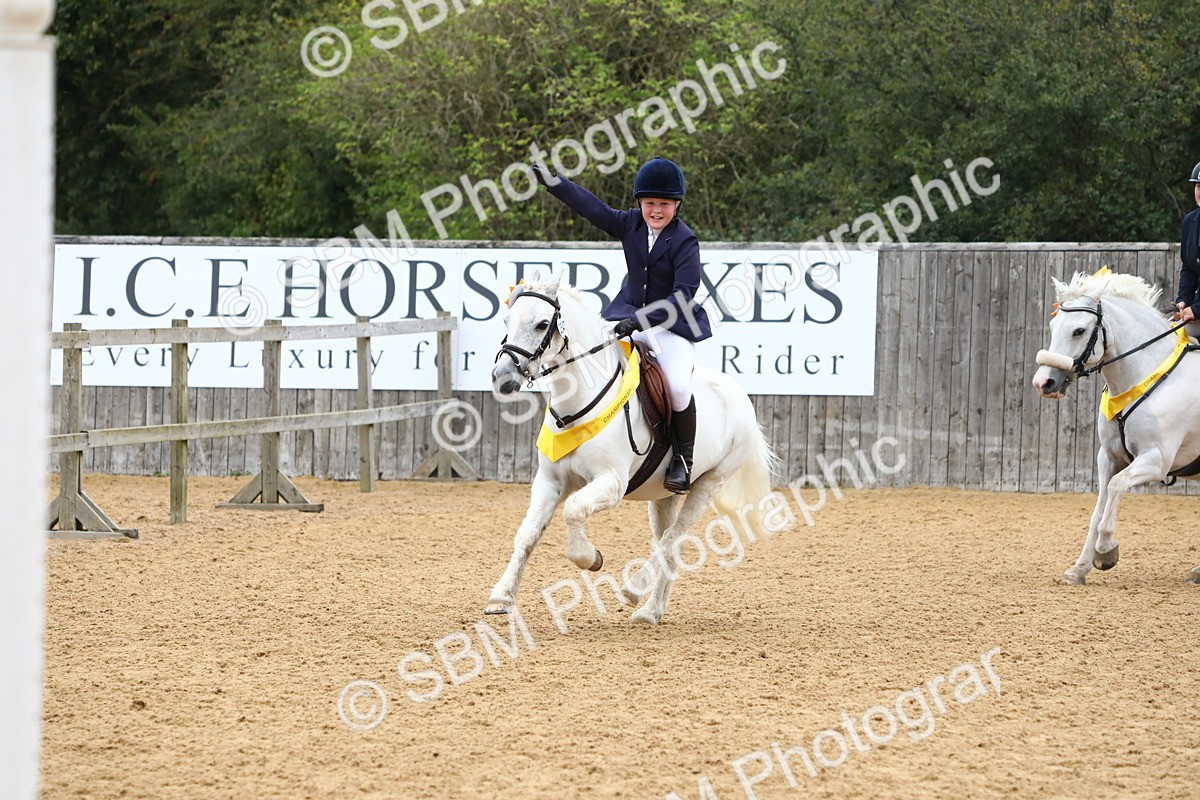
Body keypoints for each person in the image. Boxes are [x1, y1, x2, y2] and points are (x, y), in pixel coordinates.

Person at [531, 156, 711, 493]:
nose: (656, 210)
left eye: (664, 204)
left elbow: (683, 295)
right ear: (640, 203)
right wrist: (556, 183)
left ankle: (682, 460)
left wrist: (640, 320)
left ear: (676, 205)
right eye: (650, 203)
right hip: (627, 317)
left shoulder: (685, 240)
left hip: (671, 327)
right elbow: (592, 208)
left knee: (677, 387)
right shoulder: (630, 225)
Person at [1172, 160, 1200, 338]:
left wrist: (1197, 309)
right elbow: (1189, 269)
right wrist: (1183, 301)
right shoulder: (1190, 222)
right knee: (1169, 334)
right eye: (1198, 186)